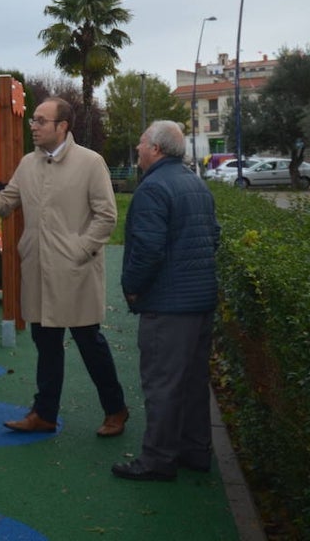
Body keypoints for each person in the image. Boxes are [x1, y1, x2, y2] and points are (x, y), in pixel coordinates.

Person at [0, 96, 128, 437]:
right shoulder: (28, 163)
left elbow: (106, 216)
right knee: (46, 344)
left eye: (41, 120)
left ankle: (115, 409)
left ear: (62, 126)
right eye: (34, 120)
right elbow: (7, 203)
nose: (34, 125)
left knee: (90, 343)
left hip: (76, 273)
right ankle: (44, 413)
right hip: (38, 270)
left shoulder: (90, 163)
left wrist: (79, 250)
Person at [112, 119, 220, 481]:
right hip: (200, 302)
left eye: (142, 144)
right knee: (191, 382)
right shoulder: (195, 184)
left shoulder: (153, 188)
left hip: (169, 305)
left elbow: (147, 249)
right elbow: (213, 236)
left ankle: (157, 459)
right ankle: (195, 450)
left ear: (155, 149)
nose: (139, 149)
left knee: (162, 384)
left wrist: (132, 287)